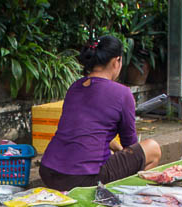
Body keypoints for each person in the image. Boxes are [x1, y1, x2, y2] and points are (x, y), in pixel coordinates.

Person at [39, 35, 161, 192]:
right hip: (82, 178)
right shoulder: (122, 93)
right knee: (153, 149)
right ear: (116, 61)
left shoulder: (75, 87)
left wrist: (115, 148)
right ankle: (127, 197)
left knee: (109, 150)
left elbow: (84, 129)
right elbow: (130, 144)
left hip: (49, 171)